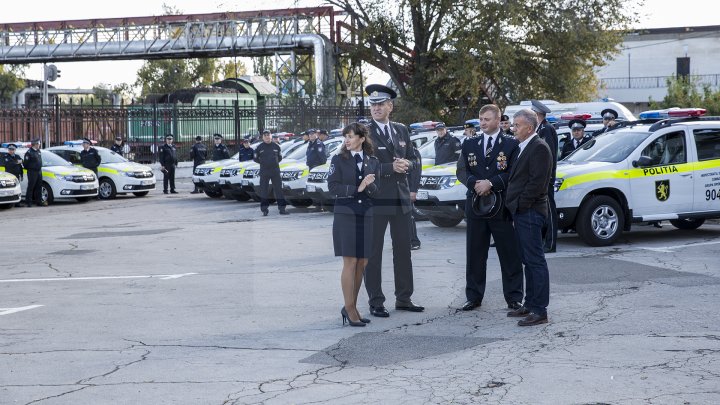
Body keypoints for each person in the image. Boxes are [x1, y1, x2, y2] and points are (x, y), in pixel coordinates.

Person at [456, 104, 524, 311]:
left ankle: (514, 297)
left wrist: (491, 183)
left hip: (501, 207)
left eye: (487, 119)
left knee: (509, 253)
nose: (483, 123)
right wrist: (475, 185)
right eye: (481, 119)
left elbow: (513, 172)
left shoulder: (512, 144)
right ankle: (473, 296)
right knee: (475, 253)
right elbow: (462, 171)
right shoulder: (470, 144)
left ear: (497, 120)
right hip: (476, 206)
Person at [363, 83, 423, 317]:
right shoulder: (364, 132)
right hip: (376, 199)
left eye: (380, 104)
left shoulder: (401, 130)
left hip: (400, 199)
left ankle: (404, 298)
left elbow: (413, 159)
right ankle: (376, 301)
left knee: (403, 250)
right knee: (374, 252)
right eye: (373, 104)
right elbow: (361, 166)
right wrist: (389, 167)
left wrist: (407, 166)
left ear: (390, 106)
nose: (376, 108)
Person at [505, 108, 554, 326]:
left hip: (531, 212)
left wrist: (520, 206)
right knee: (527, 260)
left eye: (517, 125)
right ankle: (530, 303)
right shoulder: (524, 147)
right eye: (514, 125)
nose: (513, 128)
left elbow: (537, 184)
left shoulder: (539, 148)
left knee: (535, 261)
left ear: (530, 128)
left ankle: (539, 310)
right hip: (523, 212)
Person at [328, 122, 380, 327]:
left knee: (362, 263)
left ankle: (352, 305)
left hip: (366, 215)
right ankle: (349, 308)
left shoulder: (373, 161)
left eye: (351, 136)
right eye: (345, 137)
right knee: (350, 262)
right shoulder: (338, 159)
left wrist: (370, 184)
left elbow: (377, 191)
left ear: (362, 138)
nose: (347, 140)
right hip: (346, 215)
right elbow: (332, 187)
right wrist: (357, 188)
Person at [530, 99, 558, 254]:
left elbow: (549, 156)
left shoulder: (546, 129)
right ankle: (543, 240)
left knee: (549, 210)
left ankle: (551, 243)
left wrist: (548, 177)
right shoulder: (540, 129)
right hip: (540, 178)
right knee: (542, 210)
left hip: (546, 178)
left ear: (537, 114)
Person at [254, 129, 289, 216]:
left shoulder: (276, 146)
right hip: (264, 171)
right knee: (264, 191)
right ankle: (264, 210)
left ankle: (282, 209)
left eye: (268, 135)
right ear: (263, 137)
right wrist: (264, 163)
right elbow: (255, 158)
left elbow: (280, 158)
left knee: (278, 190)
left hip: (275, 171)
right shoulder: (259, 147)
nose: (267, 137)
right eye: (265, 135)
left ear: (271, 136)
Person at [23, 139, 43, 207]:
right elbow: (25, 163)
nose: (39, 145)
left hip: (39, 171)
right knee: (31, 187)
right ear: (35, 144)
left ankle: (39, 201)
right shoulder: (29, 152)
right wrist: (31, 168)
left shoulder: (38, 151)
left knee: (39, 186)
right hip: (32, 172)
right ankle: (28, 202)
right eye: (38, 144)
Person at [409, 143, 422, 250]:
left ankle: (414, 241)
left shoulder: (413, 151)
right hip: (396, 187)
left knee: (409, 215)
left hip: (408, 188)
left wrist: (414, 190)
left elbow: (416, 172)